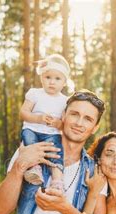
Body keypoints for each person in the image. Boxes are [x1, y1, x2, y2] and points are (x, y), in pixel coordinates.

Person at [19, 54, 72, 191]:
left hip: (51, 133)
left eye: (57, 78)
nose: (52, 82)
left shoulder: (64, 101)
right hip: (32, 129)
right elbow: (23, 113)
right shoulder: (35, 93)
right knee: (29, 140)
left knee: (56, 152)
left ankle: (57, 180)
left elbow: (63, 125)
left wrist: (56, 123)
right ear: (42, 77)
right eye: (48, 77)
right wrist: (38, 118)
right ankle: (34, 168)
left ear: (64, 82)